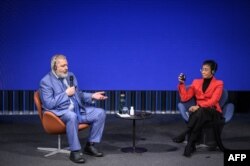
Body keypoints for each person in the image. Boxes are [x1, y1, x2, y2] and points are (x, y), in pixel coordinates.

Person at [39, 54, 108, 163]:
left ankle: (90, 145)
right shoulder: (46, 81)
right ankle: (75, 152)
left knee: (100, 113)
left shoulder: (70, 76)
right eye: (63, 66)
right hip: (60, 113)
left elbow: (78, 94)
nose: (66, 68)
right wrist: (66, 94)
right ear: (55, 67)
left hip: (77, 109)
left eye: (67, 65)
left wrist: (92, 96)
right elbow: (49, 103)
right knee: (72, 116)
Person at [172, 60, 224, 157]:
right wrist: (182, 83)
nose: (203, 72)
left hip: (213, 112)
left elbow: (213, 100)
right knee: (200, 114)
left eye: (206, 70)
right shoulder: (196, 82)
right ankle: (189, 145)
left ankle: (186, 134)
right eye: (202, 69)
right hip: (200, 113)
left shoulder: (219, 83)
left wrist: (198, 106)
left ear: (213, 71)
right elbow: (184, 98)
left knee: (200, 112)